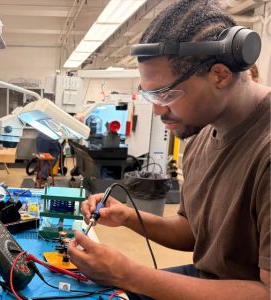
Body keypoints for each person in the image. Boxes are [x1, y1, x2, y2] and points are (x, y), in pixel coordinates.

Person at [67, 0, 270, 299]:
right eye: (151, 96)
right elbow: (192, 231)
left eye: (166, 94)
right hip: (210, 279)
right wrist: (128, 217)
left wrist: (128, 273)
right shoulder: (201, 137)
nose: (159, 111)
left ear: (220, 75)